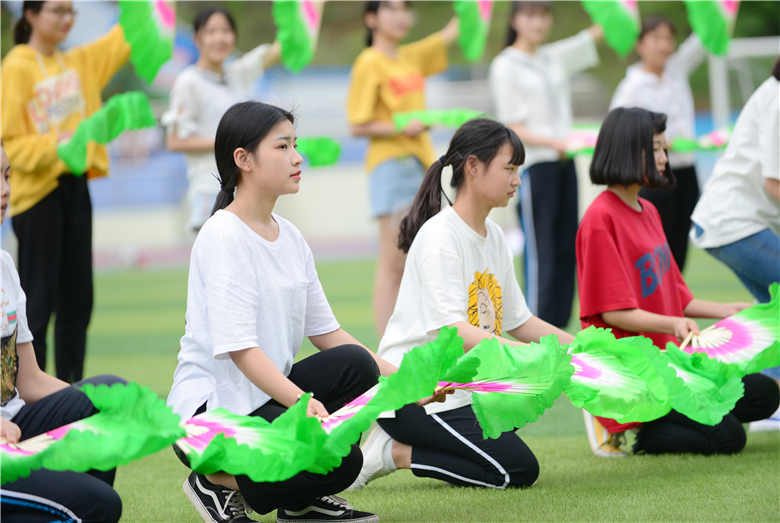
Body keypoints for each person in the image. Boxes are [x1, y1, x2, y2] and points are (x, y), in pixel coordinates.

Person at [167, 101, 397, 523]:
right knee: (323, 459)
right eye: (283, 146)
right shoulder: (222, 235)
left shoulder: (289, 236)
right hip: (213, 412)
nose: (298, 157)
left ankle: (300, 503)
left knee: (357, 371)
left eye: (297, 145)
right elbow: (241, 350)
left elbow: (328, 335)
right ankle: (215, 479)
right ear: (244, 159)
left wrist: (403, 378)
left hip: (265, 396)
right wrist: (300, 400)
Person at [349, 118, 573, 491]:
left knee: (529, 392)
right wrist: (526, 356)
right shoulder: (440, 236)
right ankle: (393, 452)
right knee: (516, 472)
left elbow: (521, 321)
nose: (517, 180)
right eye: (509, 169)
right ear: (472, 167)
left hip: (464, 390)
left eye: (518, 169)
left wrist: (578, 349)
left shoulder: (495, 235)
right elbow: (450, 329)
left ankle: (425, 444)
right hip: (417, 394)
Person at [576, 107, 780, 457]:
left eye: (664, 148)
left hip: (674, 362)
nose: (664, 157)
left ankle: (682, 415)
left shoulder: (649, 211)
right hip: (640, 372)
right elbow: (613, 314)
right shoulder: (600, 219)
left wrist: (731, 310)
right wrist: (673, 323)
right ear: (628, 150)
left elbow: (678, 298)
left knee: (765, 393)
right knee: (729, 438)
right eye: (655, 148)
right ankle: (629, 422)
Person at [1, 1, 130, 382]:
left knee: (78, 301)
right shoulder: (16, 67)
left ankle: (70, 395)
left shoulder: (79, 62)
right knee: (36, 305)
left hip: (75, 188)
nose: (67, 19)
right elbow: (9, 142)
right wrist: (58, 144)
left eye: (71, 11)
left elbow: (128, 38)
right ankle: (24, 398)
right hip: (37, 194)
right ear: (31, 15)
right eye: (57, 11)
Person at [0, 143, 125, 523]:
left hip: (14, 427)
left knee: (111, 399)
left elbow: (30, 379)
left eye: (7, 176)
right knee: (99, 505)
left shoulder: (4, 264)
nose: (5, 189)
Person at [346, 0, 459, 337]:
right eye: (391, 9)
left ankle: (416, 337)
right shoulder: (369, 62)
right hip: (391, 166)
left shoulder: (410, 57)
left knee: (423, 258)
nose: (401, 16)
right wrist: (400, 127)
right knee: (394, 260)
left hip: (422, 165)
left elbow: (453, 32)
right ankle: (389, 350)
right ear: (371, 18)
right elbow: (357, 124)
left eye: (405, 9)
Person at [489, 0, 602, 329]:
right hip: (535, 167)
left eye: (543, 15)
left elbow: (598, 33)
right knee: (543, 255)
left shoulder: (554, 57)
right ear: (515, 20)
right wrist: (555, 142)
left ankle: (559, 332)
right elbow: (512, 126)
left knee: (568, 250)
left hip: (565, 164)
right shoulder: (506, 65)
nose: (538, 23)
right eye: (530, 15)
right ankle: (536, 333)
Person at [690, 59, 780, 431]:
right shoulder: (778, 99)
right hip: (733, 223)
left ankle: (769, 403)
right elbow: (774, 182)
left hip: (736, 224)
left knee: (773, 315)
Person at [163, 6, 280, 233]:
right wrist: (228, 141)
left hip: (245, 189)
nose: (220, 38)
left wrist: (312, 7)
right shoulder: (188, 82)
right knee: (216, 265)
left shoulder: (237, 74)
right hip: (209, 189)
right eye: (211, 31)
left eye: (226, 31)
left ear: (234, 37)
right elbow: (174, 141)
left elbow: (280, 50)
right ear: (197, 39)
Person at [610, 15, 706, 272]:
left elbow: (706, 35)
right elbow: (618, 131)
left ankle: (675, 304)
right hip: (653, 176)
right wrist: (659, 144)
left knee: (678, 247)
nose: (664, 45)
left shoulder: (677, 70)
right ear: (640, 44)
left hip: (685, 170)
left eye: (668, 38)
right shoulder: (631, 87)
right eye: (656, 38)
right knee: (653, 249)